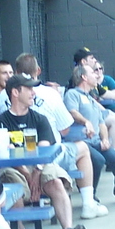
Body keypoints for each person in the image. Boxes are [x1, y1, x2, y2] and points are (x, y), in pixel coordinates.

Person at [0, 76, 88, 229]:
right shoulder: (0, 123)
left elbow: (44, 150)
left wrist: (36, 172)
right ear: (15, 92)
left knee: (56, 182)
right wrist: (27, 174)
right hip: (14, 168)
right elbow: (5, 154)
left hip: (40, 166)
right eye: (28, 89)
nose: (33, 93)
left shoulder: (40, 119)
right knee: (12, 187)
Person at [12, 54, 107, 220]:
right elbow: (64, 131)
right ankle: (88, 204)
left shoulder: (1, 99)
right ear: (38, 71)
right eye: (29, 89)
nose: (33, 93)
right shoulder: (50, 94)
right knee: (83, 149)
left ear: (16, 71)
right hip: (39, 160)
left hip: (22, 162)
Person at [65, 65, 115, 205]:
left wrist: (105, 139)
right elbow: (72, 112)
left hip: (96, 141)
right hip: (81, 142)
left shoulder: (91, 99)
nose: (96, 75)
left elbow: (101, 123)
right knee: (98, 160)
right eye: (92, 73)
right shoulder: (72, 94)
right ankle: (90, 196)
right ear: (84, 77)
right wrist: (85, 121)